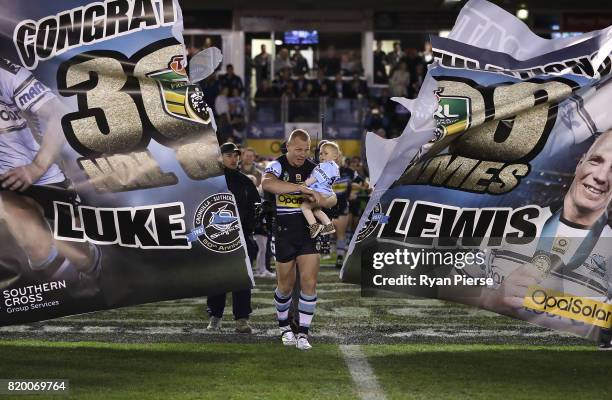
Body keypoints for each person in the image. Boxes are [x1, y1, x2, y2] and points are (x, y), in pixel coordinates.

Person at [471, 131, 612, 349]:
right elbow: (448, 285)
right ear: (580, 163)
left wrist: (590, 325)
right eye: (596, 160)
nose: (601, 176)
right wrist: (492, 299)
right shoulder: (511, 221)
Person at [0, 58, 100, 295]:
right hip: (3, 183)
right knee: (22, 222)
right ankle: (68, 294)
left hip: (41, 173)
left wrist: (36, 168)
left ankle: (91, 270)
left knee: (79, 254)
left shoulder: (6, 72)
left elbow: (58, 114)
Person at [262, 129, 324, 350]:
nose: (302, 154)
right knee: (285, 285)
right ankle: (284, 328)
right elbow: (268, 184)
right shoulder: (277, 165)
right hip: (283, 232)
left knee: (309, 282)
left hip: (307, 232)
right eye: (298, 149)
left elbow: (329, 197)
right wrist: (300, 188)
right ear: (288, 147)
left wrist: (320, 198)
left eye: (306, 150)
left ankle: (303, 334)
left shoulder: (314, 169)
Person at [206, 143, 260, 334]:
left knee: (242, 278)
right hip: (216, 237)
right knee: (217, 277)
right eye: (229, 155)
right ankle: (215, 316)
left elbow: (256, 208)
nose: (234, 158)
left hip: (241, 236)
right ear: (219, 157)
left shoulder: (245, 182)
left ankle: (242, 319)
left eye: (236, 155)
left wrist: (250, 230)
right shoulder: (209, 181)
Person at [300, 142, 340, 238]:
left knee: (305, 206)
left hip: (320, 193)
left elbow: (314, 178)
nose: (322, 155)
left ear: (335, 156)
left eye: (326, 153)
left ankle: (314, 226)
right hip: (327, 192)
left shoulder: (324, 166)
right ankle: (328, 225)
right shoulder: (335, 167)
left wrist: (304, 185)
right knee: (317, 210)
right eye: (321, 153)